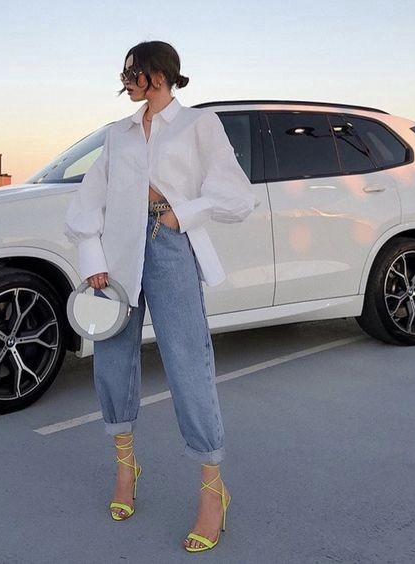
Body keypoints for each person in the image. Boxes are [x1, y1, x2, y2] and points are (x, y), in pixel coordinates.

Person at [64, 40, 257, 553]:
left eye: (132, 71)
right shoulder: (117, 133)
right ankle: (125, 467)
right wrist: (92, 256)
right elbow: (89, 198)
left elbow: (237, 195)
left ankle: (212, 488)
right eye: (124, 72)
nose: (125, 80)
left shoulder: (198, 125)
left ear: (157, 73)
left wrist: (180, 214)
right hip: (117, 252)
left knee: (188, 362)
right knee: (113, 360)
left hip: (168, 243)